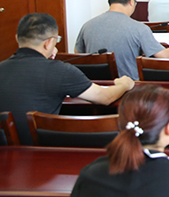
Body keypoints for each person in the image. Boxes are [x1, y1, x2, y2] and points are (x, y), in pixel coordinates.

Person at [0, 13, 135, 146]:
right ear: (48, 43)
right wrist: (124, 84)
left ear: (17, 38)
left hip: (6, 151)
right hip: (42, 151)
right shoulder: (59, 71)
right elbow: (104, 97)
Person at [75, 0, 169, 80]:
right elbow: (165, 56)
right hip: (130, 88)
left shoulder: (87, 26)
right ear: (132, 1)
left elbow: (78, 53)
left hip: (95, 87)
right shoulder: (139, 28)